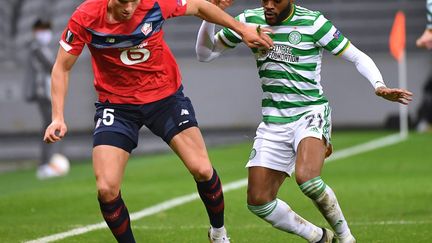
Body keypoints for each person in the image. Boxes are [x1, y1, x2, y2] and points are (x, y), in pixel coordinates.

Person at [43, 0, 272, 242]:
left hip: (164, 98)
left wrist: (242, 28)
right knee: (106, 189)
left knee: (203, 170)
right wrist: (57, 116)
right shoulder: (86, 16)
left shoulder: (156, 3)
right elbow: (61, 67)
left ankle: (219, 233)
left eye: (134, 2)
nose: (129, 9)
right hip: (117, 106)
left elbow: (200, 6)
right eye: (124, 2)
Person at [195, 0, 413, 242]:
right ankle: (318, 237)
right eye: (264, 0)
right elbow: (205, 54)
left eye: (275, 1)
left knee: (308, 179)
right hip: (273, 120)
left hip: (310, 112)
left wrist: (379, 85)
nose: (268, 5)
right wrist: (210, 16)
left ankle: (346, 237)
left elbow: (358, 57)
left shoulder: (313, 23)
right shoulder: (249, 21)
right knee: (258, 202)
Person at [24, 19, 69, 179]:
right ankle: (46, 164)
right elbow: (54, 65)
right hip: (44, 93)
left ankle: (47, 163)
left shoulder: (39, 47)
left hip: (46, 93)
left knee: (50, 125)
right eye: (41, 30)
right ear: (35, 31)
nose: (45, 34)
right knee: (52, 125)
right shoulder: (37, 48)